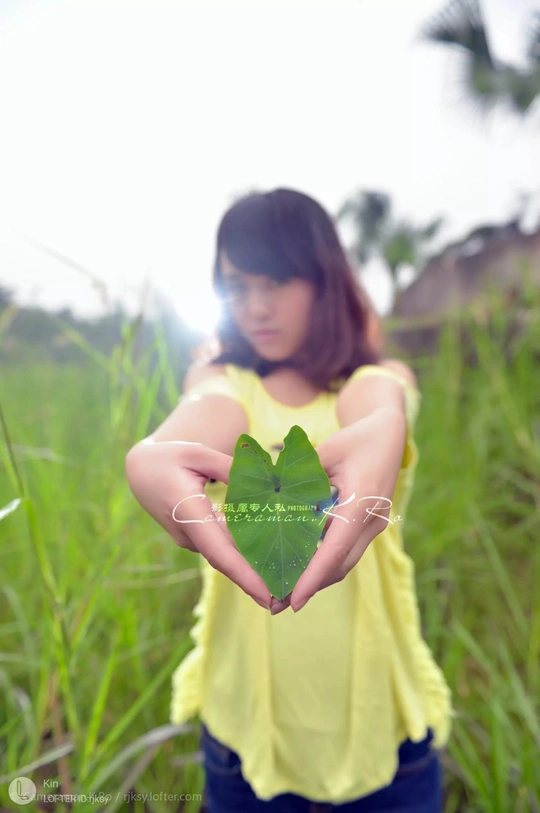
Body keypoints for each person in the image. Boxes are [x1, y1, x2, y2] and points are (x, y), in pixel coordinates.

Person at [124, 188, 456, 813]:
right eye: (237, 285)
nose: (255, 306)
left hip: (381, 726)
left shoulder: (373, 382)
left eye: (276, 281)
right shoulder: (225, 384)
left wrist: (384, 424)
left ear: (323, 279)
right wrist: (153, 454)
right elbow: (203, 411)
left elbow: (379, 402)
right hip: (248, 734)